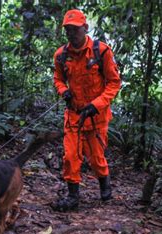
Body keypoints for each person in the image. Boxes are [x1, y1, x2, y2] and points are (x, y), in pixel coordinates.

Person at [52, 9, 121, 211]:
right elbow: (57, 79)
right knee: (70, 156)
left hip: (97, 116)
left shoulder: (102, 51)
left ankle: (105, 187)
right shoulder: (61, 55)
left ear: (85, 28)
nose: (72, 34)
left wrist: (97, 104)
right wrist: (64, 91)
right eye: (68, 30)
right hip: (74, 114)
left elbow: (114, 83)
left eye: (75, 29)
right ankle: (73, 197)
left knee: (96, 157)